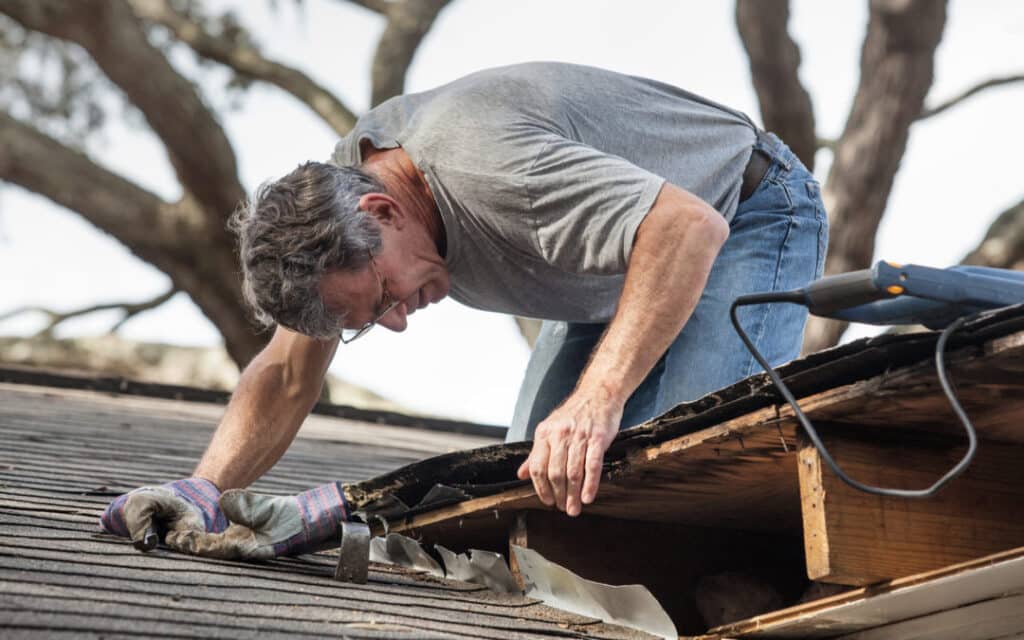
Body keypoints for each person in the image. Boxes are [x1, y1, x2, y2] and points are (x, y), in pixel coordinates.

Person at [100, 62, 827, 558]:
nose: (397, 320)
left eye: (383, 297)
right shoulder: (333, 212)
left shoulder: (491, 168)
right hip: (611, 268)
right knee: (534, 505)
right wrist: (204, 491)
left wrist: (597, 400)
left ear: (383, 211)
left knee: (690, 481)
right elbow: (289, 374)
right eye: (369, 320)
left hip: (745, 211)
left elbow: (685, 229)